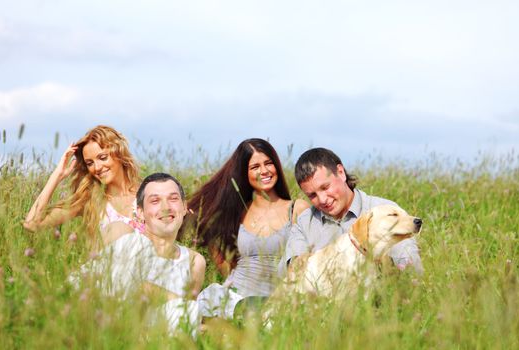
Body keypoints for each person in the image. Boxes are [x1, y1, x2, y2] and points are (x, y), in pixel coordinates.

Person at [70, 172, 206, 335]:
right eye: (155, 201)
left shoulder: (194, 261)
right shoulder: (121, 233)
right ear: (140, 212)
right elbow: (92, 284)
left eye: (173, 199)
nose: (165, 207)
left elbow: (185, 317)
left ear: (184, 208)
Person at [187, 138, 309, 317]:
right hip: (235, 298)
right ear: (244, 173)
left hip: (278, 303)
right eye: (255, 167)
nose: (264, 171)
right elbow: (226, 265)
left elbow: (304, 264)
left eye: (268, 163)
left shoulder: (297, 208)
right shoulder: (239, 212)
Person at [281, 147, 423, 275]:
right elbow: (290, 272)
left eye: (325, 187)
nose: (322, 199)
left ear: (341, 173)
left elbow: (411, 268)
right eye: (312, 195)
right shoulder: (305, 222)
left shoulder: (386, 211)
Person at [23, 125, 142, 248]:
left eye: (102, 158)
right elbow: (31, 224)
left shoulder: (148, 193)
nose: (97, 167)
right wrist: (57, 175)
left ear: (119, 153)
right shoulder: (90, 201)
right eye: (90, 163)